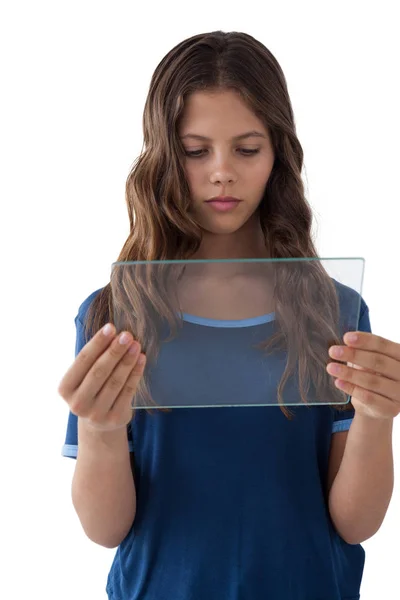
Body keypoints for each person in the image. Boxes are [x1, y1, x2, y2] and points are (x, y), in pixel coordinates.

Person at [59, 31, 399, 600]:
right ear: (165, 155)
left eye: (247, 149)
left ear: (278, 154)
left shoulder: (335, 309)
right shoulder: (116, 315)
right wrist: (99, 428)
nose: (222, 172)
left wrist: (377, 418)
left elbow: (355, 523)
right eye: (196, 151)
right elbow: (104, 528)